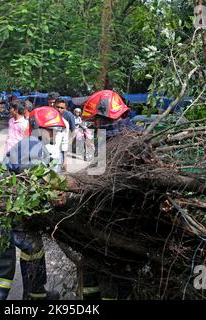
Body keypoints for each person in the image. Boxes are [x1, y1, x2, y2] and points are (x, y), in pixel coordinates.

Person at [0, 106, 65, 300]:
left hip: (5, 210)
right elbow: (30, 177)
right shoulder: (32, 144)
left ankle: (35, 294)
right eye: (50, 129)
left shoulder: (34, 145)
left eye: (55, 130)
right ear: (37, 128)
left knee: (33, 245)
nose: (53, 134)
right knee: (1, 272)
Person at [80, 90, 131, 300]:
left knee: (105, 271)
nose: (94, 125)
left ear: (103, 116)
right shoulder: (135, 134)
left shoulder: (108, 141)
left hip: (110, 222)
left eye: (95, 121)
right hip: (127, 225)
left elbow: (95, 181)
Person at [53, 99, 70, 172]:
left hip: (57, 156)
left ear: (65, 109)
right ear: (54, 106)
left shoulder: (65, 123)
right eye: (57, 107)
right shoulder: (46, 119)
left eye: (62, 108)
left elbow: (65, 142)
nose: (59, 109)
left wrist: (65, 161)